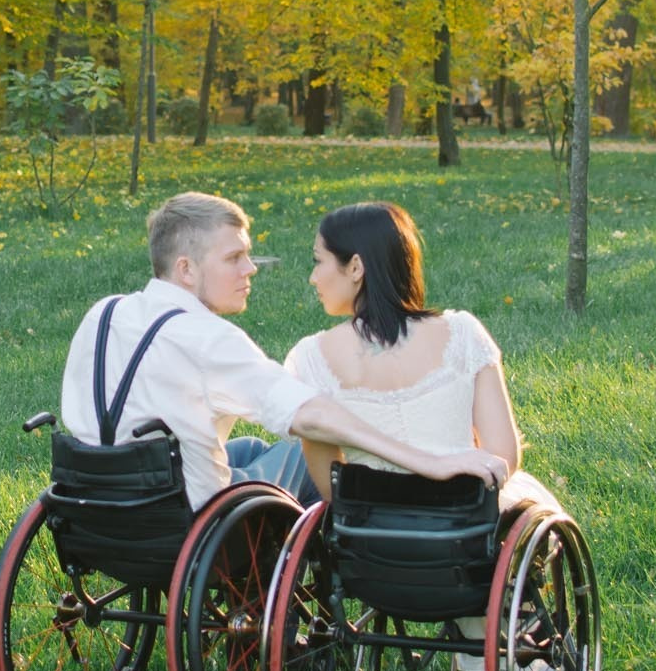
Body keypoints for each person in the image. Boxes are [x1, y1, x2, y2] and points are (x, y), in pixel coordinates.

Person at [59, 193, 506, 512]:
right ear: (186, 269)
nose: (250, 269)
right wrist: (430, 462)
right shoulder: (208, 338)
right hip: (185, 513)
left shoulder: (104, 313)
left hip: (96, 498)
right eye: (234, 258)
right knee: (304, 453)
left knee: (251, 446)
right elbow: (309, 416)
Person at [283, 200, 562, 671]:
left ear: (356, 267)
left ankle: (476, 654)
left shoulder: (309, 360)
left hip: (367, 549)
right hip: (461, 538)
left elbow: (329, 489)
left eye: (319, 260)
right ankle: (487, 656)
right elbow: (502, 457)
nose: (312, 276)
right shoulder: (462, 334)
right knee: (520, 498)